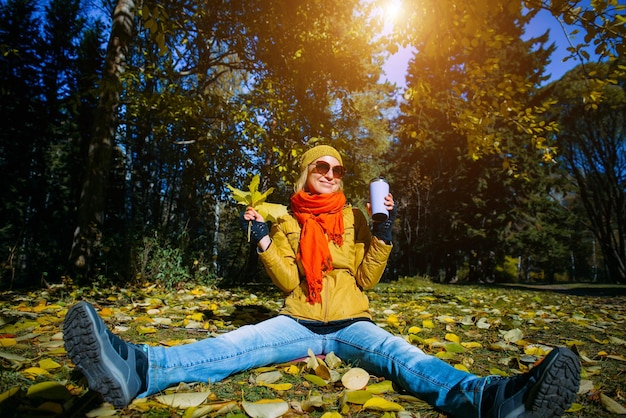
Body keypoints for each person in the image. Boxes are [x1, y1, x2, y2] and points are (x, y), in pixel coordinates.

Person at [63, 144, 581, 417]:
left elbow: (367, 278)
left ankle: (495, 400)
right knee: (229, 347)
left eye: (337, 168)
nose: (332, 173)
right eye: (322, 167)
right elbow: (288, 278)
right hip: (300, 321)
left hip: (354, 321)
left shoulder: (355, 216)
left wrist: (384, 231)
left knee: (407, 359)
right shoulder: (287, 217)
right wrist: (263, 239)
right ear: (307, 173)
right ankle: (137, 368)